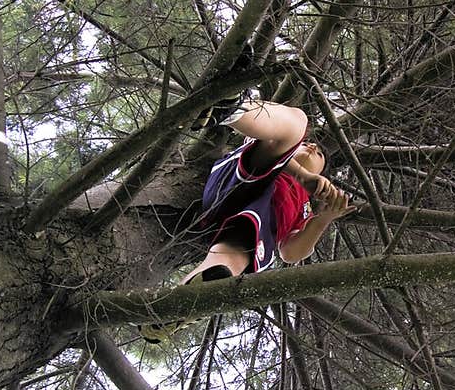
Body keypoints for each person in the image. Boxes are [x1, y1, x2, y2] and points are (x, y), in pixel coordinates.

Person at [142, 93, 352, 340]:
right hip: (242, 179)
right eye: (309, 145)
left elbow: (290, 253)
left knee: (228, 264)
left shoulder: (303, 208)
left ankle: (178, 306)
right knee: (297, 122)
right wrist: (303, 176)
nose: (313, 146)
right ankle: (230, 107)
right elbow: (266, 139)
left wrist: (323, 219)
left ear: (323, 173)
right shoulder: (273, 149)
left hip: (246, 224)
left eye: (319, 156)